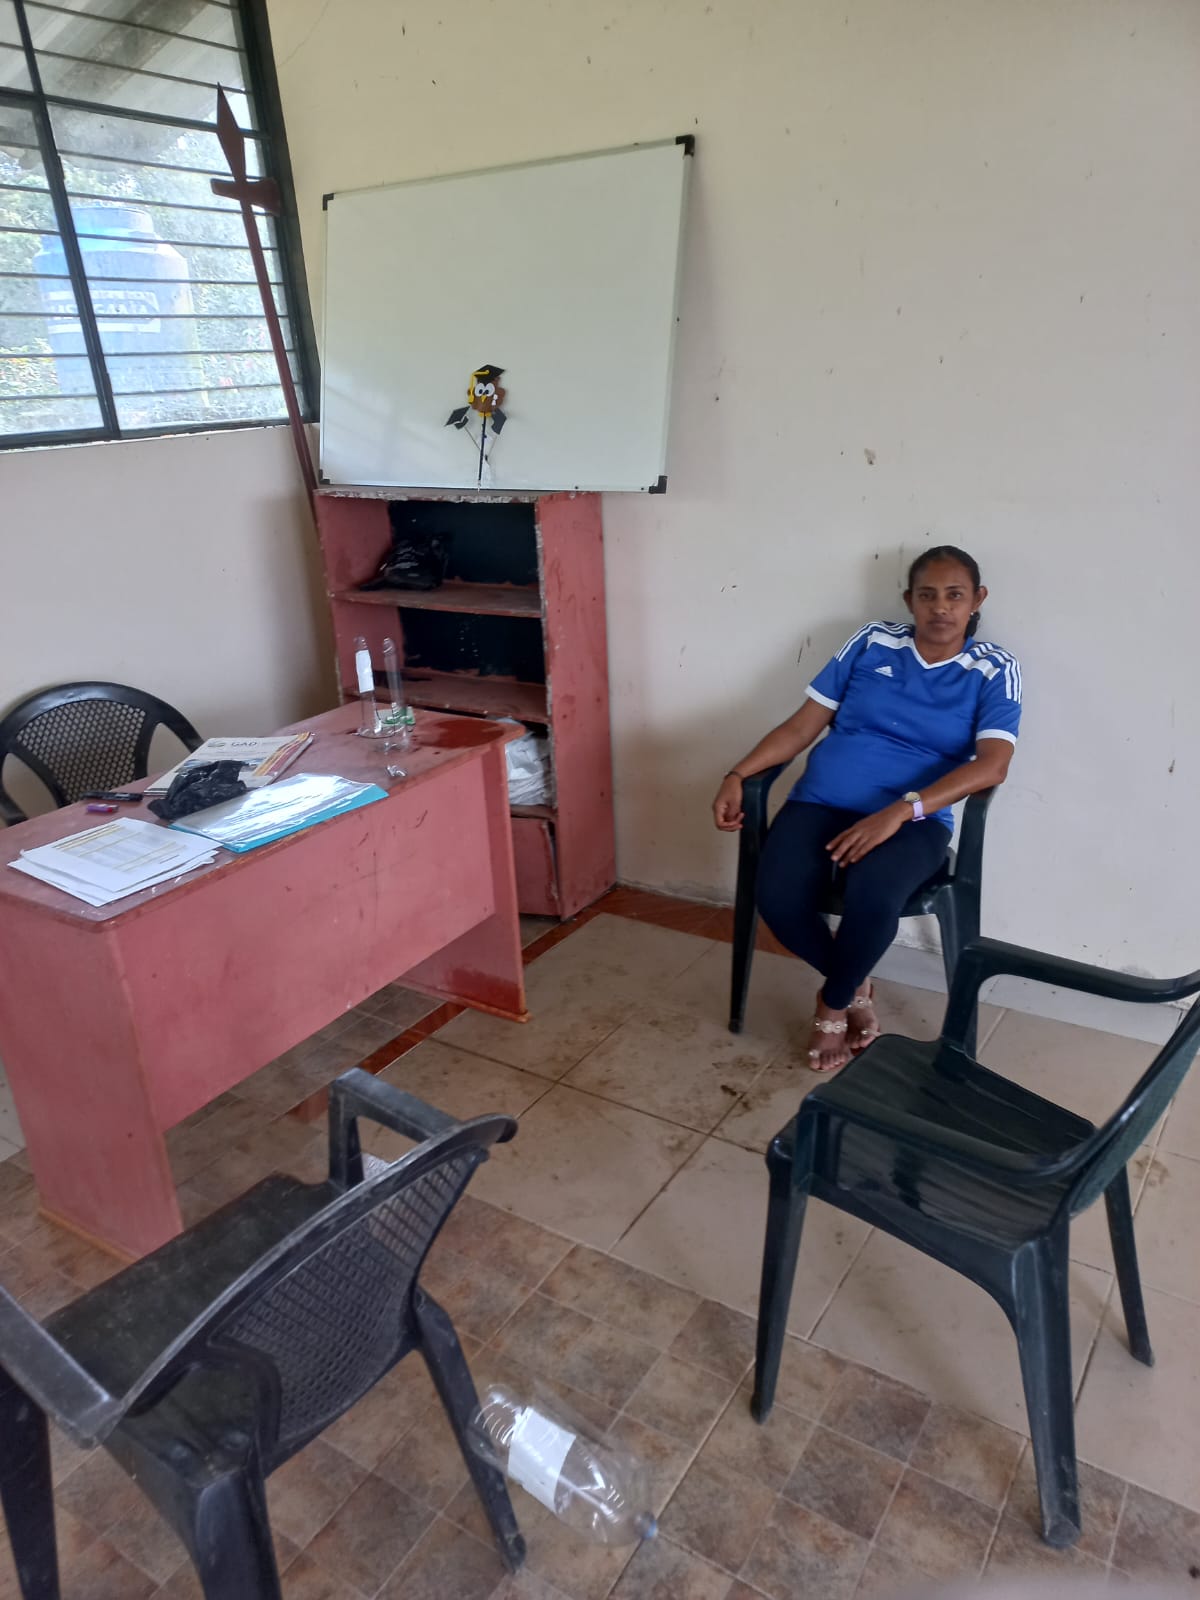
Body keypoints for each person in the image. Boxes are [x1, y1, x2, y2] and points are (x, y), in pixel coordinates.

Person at [712, 546, 1021, 1070]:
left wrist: (900, 811)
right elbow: (801, 727)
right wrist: (737, 774)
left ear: (977, 600)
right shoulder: (873, 640)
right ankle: (856, 985)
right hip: (821, 802)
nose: (940, 607)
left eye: (954, 595)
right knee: (777, 896)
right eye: (927, 595)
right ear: (909, 599)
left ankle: (832, 1004)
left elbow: (993, 765)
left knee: (873, 895)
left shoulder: (993, 668)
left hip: (914, 820)